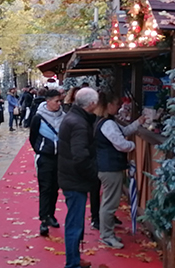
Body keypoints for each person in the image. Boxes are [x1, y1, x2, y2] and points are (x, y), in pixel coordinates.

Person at [94, 91, 146, 249]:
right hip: (109, 167)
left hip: (106, 166)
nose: (119, 107)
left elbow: (121, 133)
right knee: (110, 203)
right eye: (117, 104)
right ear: (109, 105)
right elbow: (121, 143)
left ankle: (107, 233)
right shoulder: (108, 123)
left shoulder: (103, 121)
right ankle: (107, 235)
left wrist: (137, 123)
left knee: (108, 201)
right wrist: (133, 146)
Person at [58, 87, 100, 268]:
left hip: (71, 177)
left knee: (76, 222)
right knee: (74, 223)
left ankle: (74, 259)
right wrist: (92, 175)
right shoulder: (78, 123)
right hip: (75, 180)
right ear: (91, 104)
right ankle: (72, 263)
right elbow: (80, 156)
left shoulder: (74, 118)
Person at [29, 88, 65, 236]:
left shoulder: (64, 116)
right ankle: (43, 219)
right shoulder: (38, 117)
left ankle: (51, 215)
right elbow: (33, 136)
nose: (59, 103)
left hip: (60, 157)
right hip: (45, 157)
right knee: (45, 188)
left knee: (55, 188)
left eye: (60, 101)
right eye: (56, 101)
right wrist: (40, 150)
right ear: (48, 101)